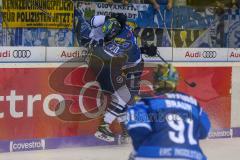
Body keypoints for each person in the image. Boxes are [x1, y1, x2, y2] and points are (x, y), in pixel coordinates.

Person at [126, 64, 211, 160]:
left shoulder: (146, 102)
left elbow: (138, 129)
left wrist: (142, 151)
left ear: (156, 81)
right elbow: (204, 131)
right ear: (175, 81)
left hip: (153, 155)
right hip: (193, 156)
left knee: (133, 156)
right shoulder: (194, 103)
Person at [88, 17, 143, 142]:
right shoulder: (121, 27)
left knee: (124, 97)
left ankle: (120, 129)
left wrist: (95, 47)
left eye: (110, 34)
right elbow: (135, 26)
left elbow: (106, 53)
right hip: (116, 66)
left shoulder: (122, 41)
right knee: (123, 97)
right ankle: (110, 127)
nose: (109, 36)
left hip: (127, 66)